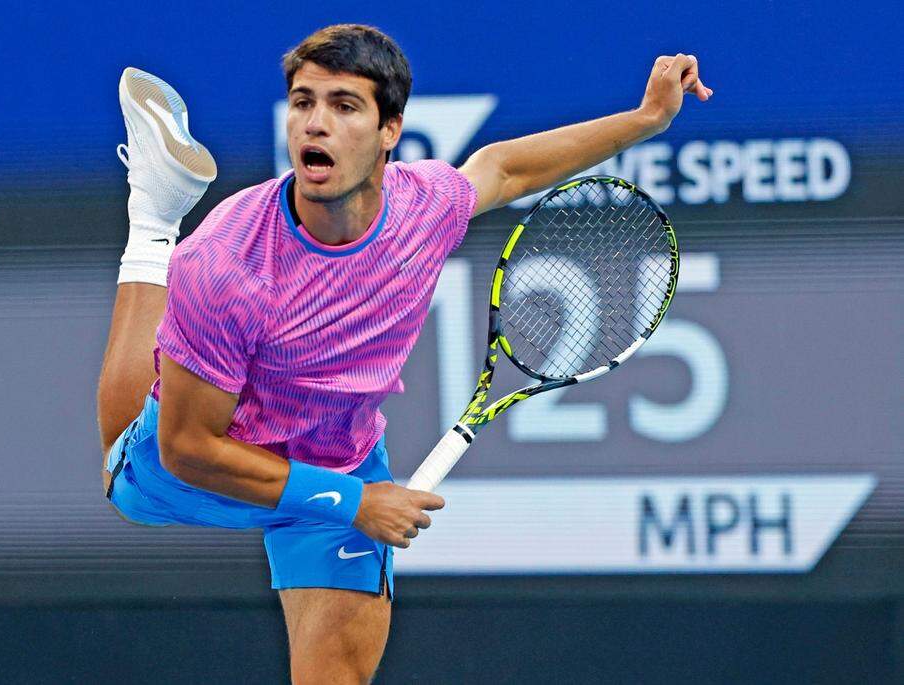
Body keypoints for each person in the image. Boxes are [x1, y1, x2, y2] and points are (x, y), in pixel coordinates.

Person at [98, 24, 711, 684]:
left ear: (391, 129)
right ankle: (155, 219)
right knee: (122, 464)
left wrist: (646, 118)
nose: (315, 124)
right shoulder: (225, 267)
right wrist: (351, 502)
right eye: (303, 102)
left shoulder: (423, 210)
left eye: (344, 105)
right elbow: (188, 446)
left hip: (340, 454)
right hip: (222, 461)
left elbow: (506, 167)